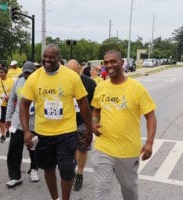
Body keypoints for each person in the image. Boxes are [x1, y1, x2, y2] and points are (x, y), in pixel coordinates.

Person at [19, 44, 93, 200]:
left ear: (59, 58)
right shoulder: (34, 77)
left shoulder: (71, 76)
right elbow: (24, 104)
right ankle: (55, 198)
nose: (47, 60)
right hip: (43, 133)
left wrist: (89, 128)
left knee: (67, 170)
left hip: (66, 132)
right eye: (44, 56)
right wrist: (26, 131)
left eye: (51, 57)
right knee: (48, 168)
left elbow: (83, 104)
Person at [91, 50, 157, 200]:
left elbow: (151, 116)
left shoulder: (136, 88)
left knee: (129, 192)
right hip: (103, 147)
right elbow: (96, 110)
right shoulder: (101, 87)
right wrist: (94, 122)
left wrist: (149, 143)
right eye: (106, 62)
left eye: (113, 61)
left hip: (127, 151)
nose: (109, 65)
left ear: (122, 63)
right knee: (101, 190)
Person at [5, 61, 39, 188]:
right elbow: (12, 100)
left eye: (29, 73)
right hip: (17, 121)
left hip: (34, 122)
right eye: (25, 73)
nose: (27, 75)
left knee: (33, 148)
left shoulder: (38, 82)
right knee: (14, 149)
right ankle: (15, 176)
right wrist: (8, 117)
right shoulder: (18, 82)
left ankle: (34, 169)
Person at [66, 59, 96, 191]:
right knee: (69, 149)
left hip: (83, 122)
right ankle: (71, 171)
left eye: (72, 71)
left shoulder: (89, 83)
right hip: (66, 121)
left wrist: (93, 122)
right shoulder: (62, 82)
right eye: (67, 71)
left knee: (82, 148)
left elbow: (96, 105)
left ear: (79, 70)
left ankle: (79, 174)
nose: (69, 74)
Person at [0, 67, 14, 143]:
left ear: (6, 73)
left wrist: (9, 96)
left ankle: (8, 130)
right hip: (1, 104)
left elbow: (14, 91)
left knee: (8, 119)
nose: (0, 74)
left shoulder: (11, 81)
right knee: (1, 120)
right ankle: (2, 135)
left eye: (2, 72)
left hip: (10, 103)